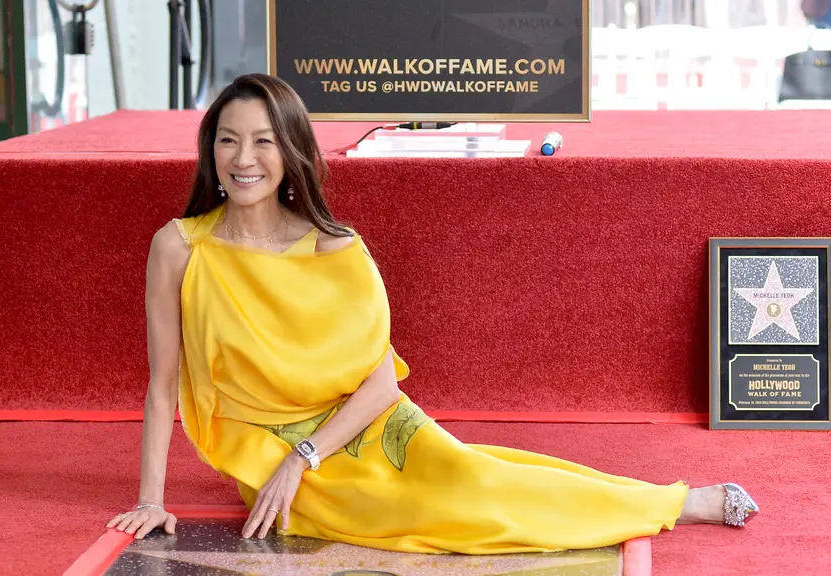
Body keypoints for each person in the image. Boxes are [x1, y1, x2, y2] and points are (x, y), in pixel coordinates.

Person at [105, 73, 759, 554]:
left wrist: (302, 456)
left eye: (263, 142)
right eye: (228, 141)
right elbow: (163, 384)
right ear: (211, 151)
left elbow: (381, 384)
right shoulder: (179, 248)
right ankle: (661, 500)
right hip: (271, 464)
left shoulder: (337, 249)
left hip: (353, 435)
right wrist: (150, 501)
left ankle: (678, 502)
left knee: (475, 486)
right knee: (452, 516)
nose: (244, 159)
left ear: (292, 151)